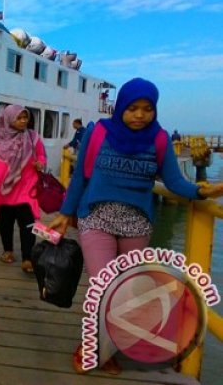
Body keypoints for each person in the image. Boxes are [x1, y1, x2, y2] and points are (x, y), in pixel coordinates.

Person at [48, 77, 223, 375]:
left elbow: (173, 181)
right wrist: (66, 213)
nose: (140, 115)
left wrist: (201, 192)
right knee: (103, 286)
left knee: (125, 293)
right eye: (132, 108)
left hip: (136, 225)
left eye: (147, 109)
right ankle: (91, 346)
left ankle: (109, 348)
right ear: (120, 108)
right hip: (97, 218)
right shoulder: (99, 132)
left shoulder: (159, 139)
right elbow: (81, 177)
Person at [0, 105, 46, 274]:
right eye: (19, 118)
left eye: (26, 118)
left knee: (28, 222)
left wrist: (41, 163)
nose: (24, 121)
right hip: (3, 188)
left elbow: (41, 154)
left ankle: (27, 258)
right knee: (6, 221)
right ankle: (8, 251)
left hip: (26, 186)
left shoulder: (33, 136)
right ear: (9, 119)